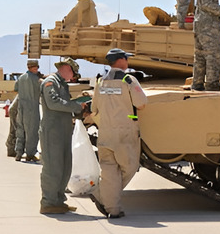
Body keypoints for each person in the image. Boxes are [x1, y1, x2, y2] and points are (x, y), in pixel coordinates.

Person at [89, 48, 148, 219]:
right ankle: (101, 194)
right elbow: (142, 103)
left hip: (106, 132)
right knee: (129, 166)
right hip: (125, 132)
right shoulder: (128, 80)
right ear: (120, 60)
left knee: (108, 170)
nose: (127, 61)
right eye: (126, 58)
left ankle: (112, 208)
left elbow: (94, 109)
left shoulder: (100, 82)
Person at [39, 57, 86, 215]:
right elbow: (53, 103)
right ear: (66, 67)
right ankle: (48, 202)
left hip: (63, 131)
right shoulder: (50, 82)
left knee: (65, 167)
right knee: (53, 168)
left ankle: (58, 201)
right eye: (73, 72)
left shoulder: (62, 84)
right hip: (52, 132)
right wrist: (75, 106)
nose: (73, 77)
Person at [14, 59, 43, 162]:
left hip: (21, 107)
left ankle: (18, 153)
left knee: (20, 130)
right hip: (31, 108)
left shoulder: (21, 78)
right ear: (35, 67)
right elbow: (42, 89)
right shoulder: (36, 79)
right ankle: (30, 154)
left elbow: (16, 89)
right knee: (32, 132)